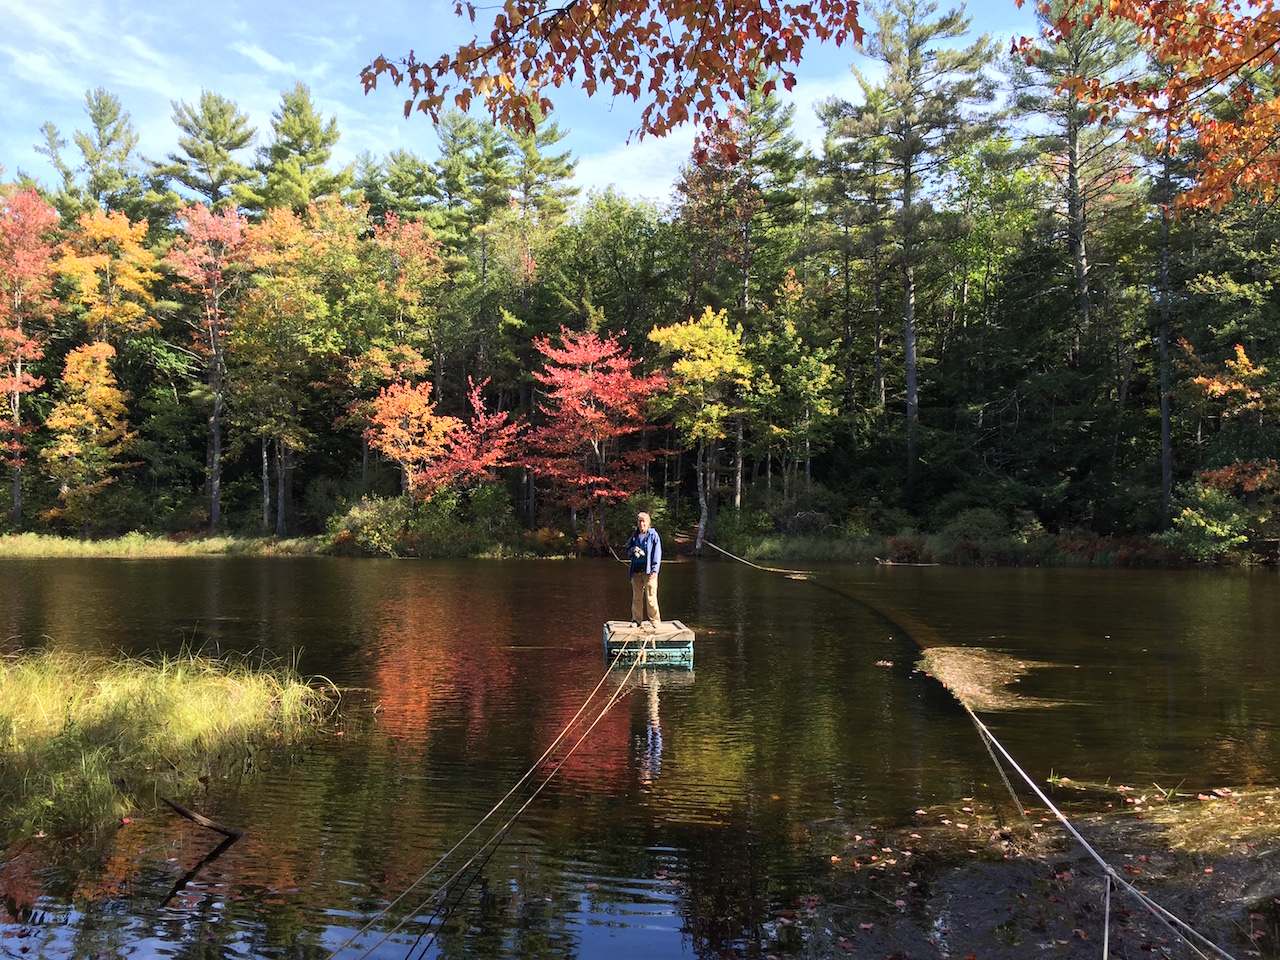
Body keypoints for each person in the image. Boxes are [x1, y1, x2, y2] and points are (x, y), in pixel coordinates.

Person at [625, 511, 662, 629]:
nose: (641, 524)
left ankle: (655, 620)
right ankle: (636, 620)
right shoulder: (635, 535)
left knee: (651, 597)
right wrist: (633, 550)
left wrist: (655, 570)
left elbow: (657, 553)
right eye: (639, 522)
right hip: (636, 571)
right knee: (637, 597)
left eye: (643, 522)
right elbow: (628, 549)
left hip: (649, 572)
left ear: (648, 523)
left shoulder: (653, 535)